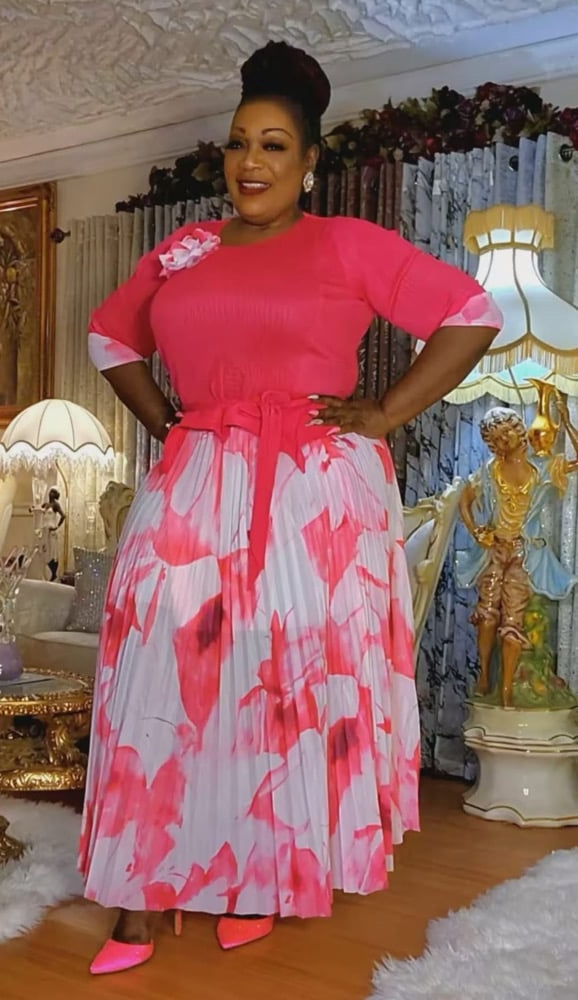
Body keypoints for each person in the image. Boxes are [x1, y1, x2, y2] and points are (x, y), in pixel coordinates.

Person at [79, 40, 502, 976]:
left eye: (273, 145)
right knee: (156, 673)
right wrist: (168, 421)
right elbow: (111, 337)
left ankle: (256, 880)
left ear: (310, 162)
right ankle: (137, 900)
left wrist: (384, 412)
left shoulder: (347, 243)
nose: (251, 161)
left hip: (312, 488)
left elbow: (471, 313)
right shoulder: (184, 250)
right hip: (196, 477)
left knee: (278, 684)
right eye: (238, 143)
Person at [457, 403, 578, 707]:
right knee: (487, 614)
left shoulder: (543, 468)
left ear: (518, 430)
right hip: (494, 550)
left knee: (512, 622)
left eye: (508, 432)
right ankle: (484, 676)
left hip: (525, 554)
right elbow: (465, 498)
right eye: (497, 438)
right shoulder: (489, 471)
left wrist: (566, 422)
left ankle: (507, 691)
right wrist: (476, 531)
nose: (505, 440)